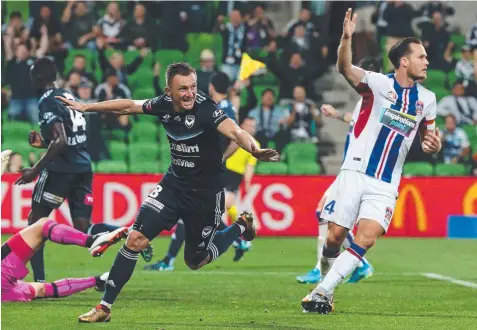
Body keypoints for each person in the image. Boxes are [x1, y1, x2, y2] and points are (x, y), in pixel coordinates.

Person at [56, 62, 279, 322]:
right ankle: (104, 307)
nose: (189, 94)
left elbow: (236, 131)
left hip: (205, 194)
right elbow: (128, 105)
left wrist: (253, 149)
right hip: (173, 185)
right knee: (135, 239)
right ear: (168, 91)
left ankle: (240, 227)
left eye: (193, 87)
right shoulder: (161, 104)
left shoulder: (206, 109)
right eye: (182, 88)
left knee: (196, 261)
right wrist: (86, 107)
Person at [301, 9, 442, 314]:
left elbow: (427, 140)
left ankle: (323, 292)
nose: (426, 61)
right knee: (334, 238)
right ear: (403, 61)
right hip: (356, 171)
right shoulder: (378, 84)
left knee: (368, 236)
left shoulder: (427, 99)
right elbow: (344, 68)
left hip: (386, 182)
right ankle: (324, 285)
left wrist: (433, 145)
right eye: (421, 56)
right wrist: (346, 38)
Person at [145, 71, 251, 271]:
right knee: (196, 217)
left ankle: (169, 260)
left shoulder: (214, 108)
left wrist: (219, 158)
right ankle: (238, 238)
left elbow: (233, 138)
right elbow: (235, 139)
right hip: (205, 171)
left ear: (211, 87)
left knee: (193, 216)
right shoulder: (228, 108)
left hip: (205, 173)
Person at [296, 57, 381, 285]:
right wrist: (335, 115)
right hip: (349, 169)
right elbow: (356, 121)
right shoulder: (365, 100)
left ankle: (327, 267)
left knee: (325, 213)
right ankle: (359, 265)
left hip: (356, 171)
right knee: (326, 215)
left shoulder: (377, 100)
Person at [1, 217, 127, 303]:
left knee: (42, 289)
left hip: (6, 294)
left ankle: (99, 280)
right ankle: (91, 241)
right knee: (43, 225)